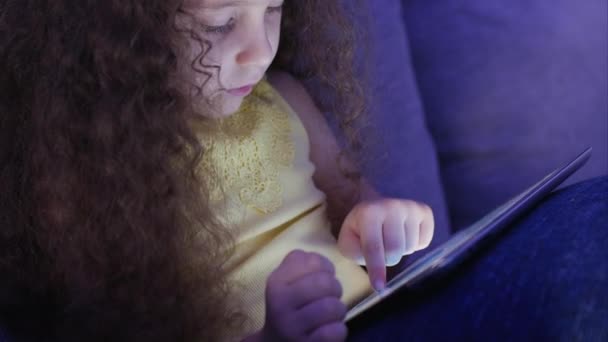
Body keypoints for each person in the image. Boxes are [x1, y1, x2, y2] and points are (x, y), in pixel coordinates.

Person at [0, 0, 442, 341]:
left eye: (272, 8)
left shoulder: (284, 98)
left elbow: (356, 203)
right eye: (219, 23)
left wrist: (384, 221)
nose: (260, 51)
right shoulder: (92, 167)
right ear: (123, 32)